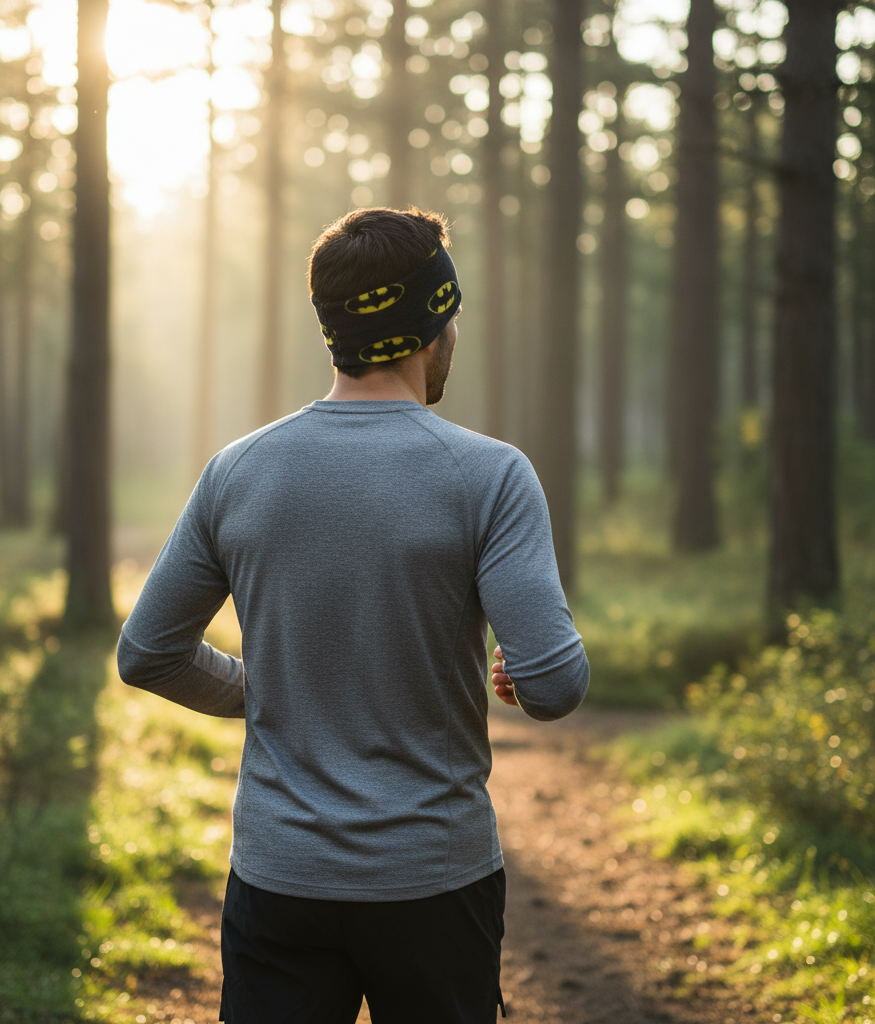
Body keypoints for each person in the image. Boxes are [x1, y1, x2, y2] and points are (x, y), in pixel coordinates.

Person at [117, 207, 589, 1023]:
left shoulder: (237, 472)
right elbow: (553, 684)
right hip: (435, 882)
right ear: (431, 325)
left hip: (278, 879)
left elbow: (147, 653)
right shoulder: (490, 476)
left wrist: (264, 691)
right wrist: (522, 667)